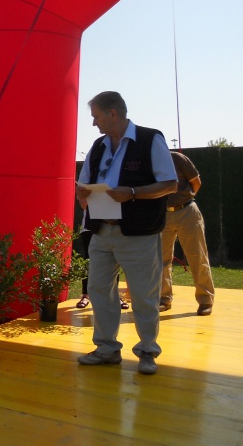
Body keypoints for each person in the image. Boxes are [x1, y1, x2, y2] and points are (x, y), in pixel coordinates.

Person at [75, 91, 176, 375]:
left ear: (113, 113)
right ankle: (107, 349)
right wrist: (82, 194)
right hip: (101, 231)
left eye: (96, 116)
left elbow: (170, 184)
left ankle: (147, 351)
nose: (93, 123)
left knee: (144, 295)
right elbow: (83, 184)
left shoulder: (150, 139)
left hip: (139, 234)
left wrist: (132, 192)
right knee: (98, 291)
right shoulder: (98, 146)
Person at [160, 151, 215, 316]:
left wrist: (185, 199)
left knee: (197, 257)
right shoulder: (149, 161)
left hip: (187, 212)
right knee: (161, 259)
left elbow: (196, 182)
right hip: (162, 215)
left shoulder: (177, 158)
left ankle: (205, 300)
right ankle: (164, 299)